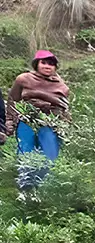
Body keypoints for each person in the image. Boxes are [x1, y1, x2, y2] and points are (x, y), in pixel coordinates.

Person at [5, 50, 69, 188]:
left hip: (50, 123)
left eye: (51, 64)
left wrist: (66, 125)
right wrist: (9, 121)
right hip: (27, 121)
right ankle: (26, 187)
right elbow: (13, 100)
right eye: (43, 62)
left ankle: (44, 186)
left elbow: (64, 108)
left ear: (55, 67)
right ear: (36, 64)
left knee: (50, 154)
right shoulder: (23, 79)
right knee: (26, 152)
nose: (47, 66)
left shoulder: (62, 86)